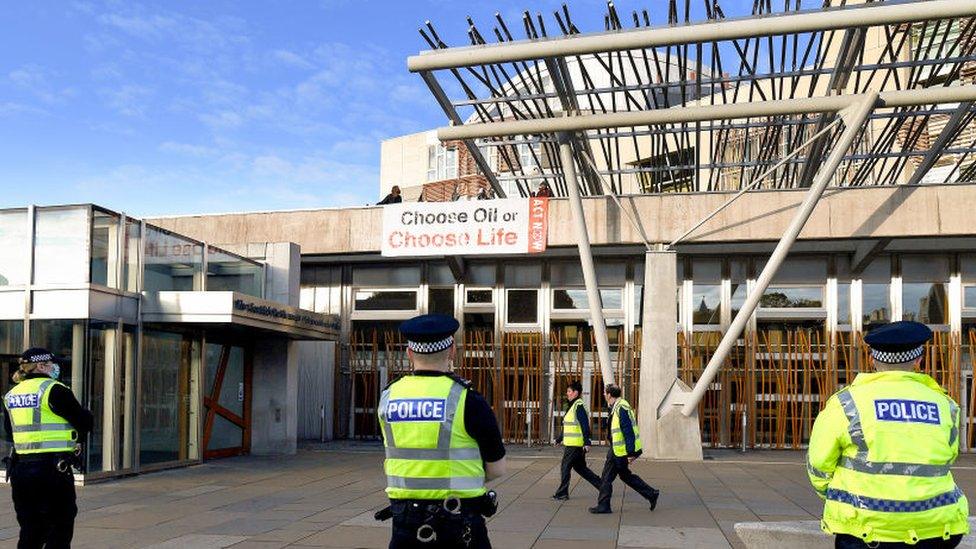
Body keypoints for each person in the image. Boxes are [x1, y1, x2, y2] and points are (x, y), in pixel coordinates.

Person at [807, 321, 968, 549]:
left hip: (866, 529)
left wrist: (838, 498)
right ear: (919, 360)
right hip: (936, 526)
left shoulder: (846, 402)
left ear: (872, 359)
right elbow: (948, 457)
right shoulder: (945, 404)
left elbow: (819, 464)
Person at [377, 314, 507, 548]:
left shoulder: (388, 397)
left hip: (405, 523)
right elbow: (497, 468)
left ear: (409, 354)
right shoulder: (468, 399)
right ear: (452, 351)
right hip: (459, 521)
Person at [3, 348, 93, 549]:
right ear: (42, 366)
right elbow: (84, 422)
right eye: (52, 364)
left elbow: (10, 431)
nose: (55, 368)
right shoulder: (55, 389)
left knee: (30, 529)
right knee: (59, 526)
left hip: (21, 470)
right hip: (52, 470)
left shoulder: (11, 395)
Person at [589, 384, 660, 514]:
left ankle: (604, 505)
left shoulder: (621, 408)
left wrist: (630, 453)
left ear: (609, 394)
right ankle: (651, 493)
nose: (604, 395)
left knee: (607, 477)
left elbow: (628, 432)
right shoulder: (618, 406)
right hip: (617, 449)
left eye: (605, 393)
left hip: (620, 451)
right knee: (625, 476)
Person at [552, 381, 601, 500]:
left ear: (575, 393)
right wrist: (559, 439)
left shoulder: (578, 406)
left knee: (565, 467)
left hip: (575, 445)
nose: (567, 393)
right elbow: (568, 426)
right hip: (574, 444)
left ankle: (562, 493)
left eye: (569, 391)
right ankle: (602, 485)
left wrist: (587, 441)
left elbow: (585, 425)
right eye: (567, 391)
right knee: (580, 468)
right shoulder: (573, 406)